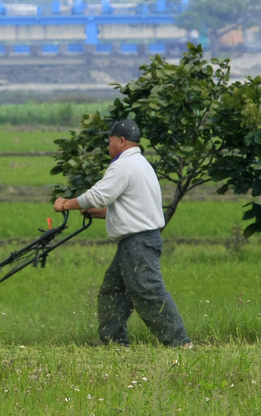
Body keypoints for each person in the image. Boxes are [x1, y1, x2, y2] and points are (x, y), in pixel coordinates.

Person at [52, 118, 192, 348]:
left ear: (121, 141)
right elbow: (137, 206)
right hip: (137, 240)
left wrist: (66, 204)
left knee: (148, 291)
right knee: (112, 292)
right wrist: (105, 213)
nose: (108, 146)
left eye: (109, 141)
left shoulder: (123, 166)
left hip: (138, 243)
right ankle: (113, 342)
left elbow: (98, 195)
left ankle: (179, 342)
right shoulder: (142, 165)